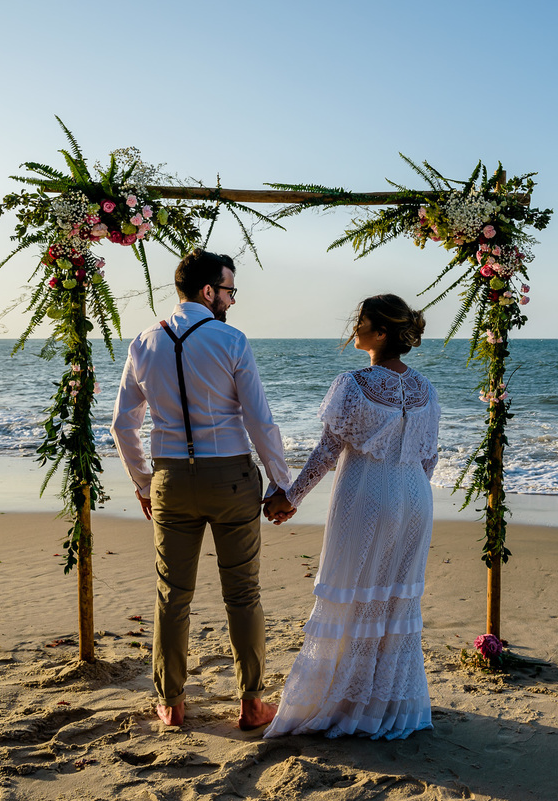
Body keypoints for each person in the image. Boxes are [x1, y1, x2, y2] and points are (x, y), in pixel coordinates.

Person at [110, 249, 292, 730]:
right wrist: (282, 482)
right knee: (243, 594)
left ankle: (171, 703)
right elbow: (258, 419)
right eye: (230, 291)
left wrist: (145, 483)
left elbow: (122, 425)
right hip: (230, 477)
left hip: (171, 477)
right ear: (209, 291)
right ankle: (252, 703)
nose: (232, 300)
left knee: (172, 595)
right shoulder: (231, 339)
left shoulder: (145, 341)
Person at [261, 294, 441, 740]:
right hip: (416, 500)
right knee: (395, 599)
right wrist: (409, 497)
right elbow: (429, 458)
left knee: (354, 594)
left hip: (366, 497)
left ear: (380, 332)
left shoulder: (354, 384)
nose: (353, 326)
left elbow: (326, 452)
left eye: (360, 320)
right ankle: (388, 702)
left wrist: (291, 496)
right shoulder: (426, 389)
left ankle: (343, 701)